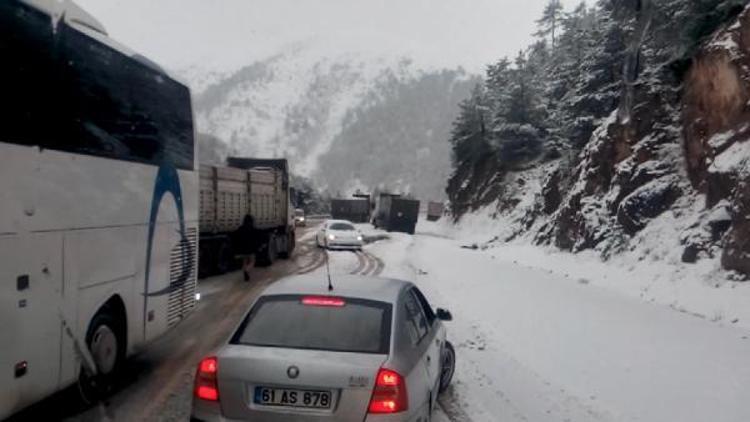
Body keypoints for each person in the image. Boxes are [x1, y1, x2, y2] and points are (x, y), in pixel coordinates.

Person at [232, 215, 259, 282]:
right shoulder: (253, 229)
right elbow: (256, 239)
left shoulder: (240, 229)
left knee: (244, 261)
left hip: (242, 250)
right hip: (250, 250)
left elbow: (234, 236)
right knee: (252, 261)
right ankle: (247, 270)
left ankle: (245, 272)